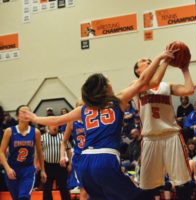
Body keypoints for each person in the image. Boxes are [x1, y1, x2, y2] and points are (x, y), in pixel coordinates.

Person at [21, 48, 176, 200]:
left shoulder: (83, 109)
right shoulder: (118, 100)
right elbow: (143, 80)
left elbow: (55, 120)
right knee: (138, 196)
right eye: (108, 81)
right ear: (105, 88)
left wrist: (34, 118)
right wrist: (160, 57)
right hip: (105, 159)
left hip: (84, 162)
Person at [133, 53, 194, 200]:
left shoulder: (167, 86)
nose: (148, 60)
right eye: (144, 60)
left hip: (171, 135)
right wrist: (163, 59)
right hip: (150, 138)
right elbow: (152, 83)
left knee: (183, 183)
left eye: (149, 59)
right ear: (137, 71)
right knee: (146, 186)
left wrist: (185, 69)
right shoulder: (136, 85)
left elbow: (189, 90)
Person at [0, 105, 47, 200]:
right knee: (16, 197)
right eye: (23, 112)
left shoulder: (35, 132)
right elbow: (1, 152)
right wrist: (7, 168)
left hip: (28, 170)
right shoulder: (9, 131)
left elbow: (40, 152)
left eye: (28, 112)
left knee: (24, 197)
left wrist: (42, 170)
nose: (26, 114)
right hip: (12, 169)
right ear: (17, 116)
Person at [60, 100, 88, 200]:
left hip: (92, 156)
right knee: (83, 190)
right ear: (75, 108)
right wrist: (62, 156)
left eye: (84, 105)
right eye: (79, 106)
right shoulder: (72, 122)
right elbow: (63, 142)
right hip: (79, 158)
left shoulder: (92, 119)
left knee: (96, 189)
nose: (81, 108)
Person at [41, 125, 72, 200]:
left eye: (56, 126)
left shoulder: (63, 136)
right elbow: (38, 152)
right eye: (53, 126)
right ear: (48, 127)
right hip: (47, 165)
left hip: (61, 166)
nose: (55, 127)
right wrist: (38, 164)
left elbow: (68, 150)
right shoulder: (42, 137)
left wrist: (70, 164)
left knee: (64, 188)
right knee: (47, 188)